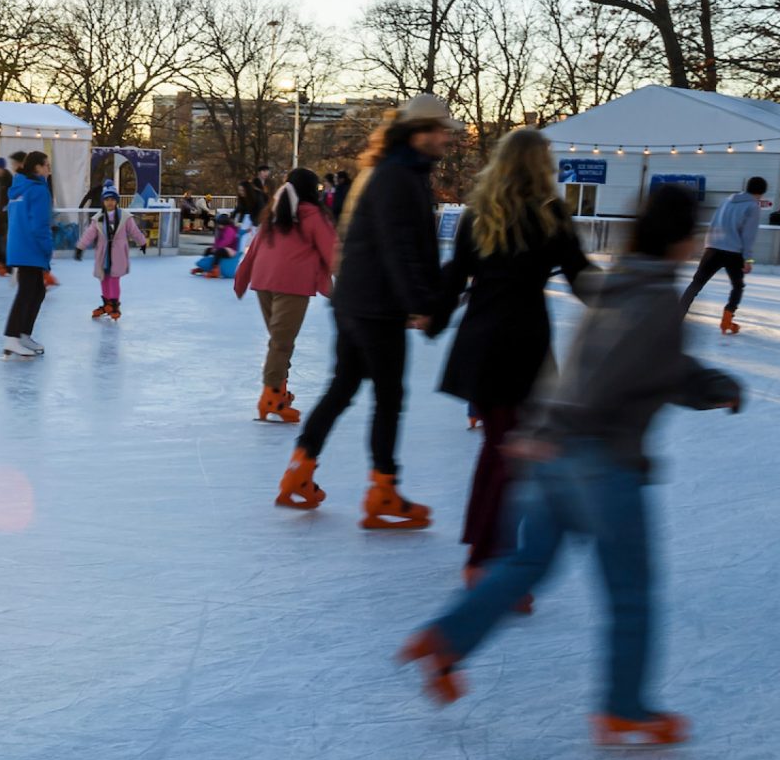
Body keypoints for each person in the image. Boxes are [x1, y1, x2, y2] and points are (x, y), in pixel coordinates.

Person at [395, 184, 741, 747]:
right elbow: (625, 373)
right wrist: (710, 386)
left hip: (551, 455)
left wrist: (542, 430)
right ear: (682, 240)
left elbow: (637, 366)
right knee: (631, 592)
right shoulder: (656, 301)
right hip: (598, 463)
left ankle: (447, 638)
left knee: (526, 561)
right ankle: (623, 707)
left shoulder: (618, 285)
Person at [427, 128, 596, 585]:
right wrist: (625, 302)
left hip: (481, 344)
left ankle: (482, 547)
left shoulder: (478, 214)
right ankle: (486, 558)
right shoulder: (550, 215)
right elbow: (582, 278)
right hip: (522, 346)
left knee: (499, 449)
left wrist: (434, 318)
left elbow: (455, 275)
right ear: (541, 166)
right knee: (510, 454)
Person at [285, 94, 458, 529]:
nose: (444, 138)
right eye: (438, 130)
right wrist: (422, 304)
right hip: (376, 307)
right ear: (416, 133)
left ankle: (299, 470)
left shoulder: (387, 171)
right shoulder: (398, 177)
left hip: (356, 302)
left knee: (344, 386)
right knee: (388, 397)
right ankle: (383, 490)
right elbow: (399, 249)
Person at [235, 167, 335, 423]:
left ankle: (277, 392)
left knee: (279, 341)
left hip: (264, 281)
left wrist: (243, 276)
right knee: (281, 343)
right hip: (292, 285)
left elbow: (254, 247)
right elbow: (333, 252)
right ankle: (271, 396)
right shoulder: (312, 215)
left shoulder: (274, 212)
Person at [681, 176, 767, 334]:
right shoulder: (752, 206)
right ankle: (726, 320)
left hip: (712, 248)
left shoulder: (727, 201)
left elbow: (714, 223)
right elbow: (749, 235)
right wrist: (748, 258)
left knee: (696, 284)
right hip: (733, 252)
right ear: (760, 193)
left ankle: (677, 316)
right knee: (737, 286)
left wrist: (708, 246)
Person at [0, 150, 54, 360]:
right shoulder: (38, 190)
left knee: (36, 291)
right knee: (27, 292)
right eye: (47, 165)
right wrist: (47, 249)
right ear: (37, 168)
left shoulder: (18, 188)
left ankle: (22, 334)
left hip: (18, 246)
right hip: (30, 247)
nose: (49, 169)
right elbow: (40, 225)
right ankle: (12, 338)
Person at [79, 184, 147, 322]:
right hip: (103, 254)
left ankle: (115, 305)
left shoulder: (125, 217)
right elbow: (89, 234)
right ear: (103, 201)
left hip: (117, 254)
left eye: (112, 199)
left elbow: (134, 231)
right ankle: (107, 305)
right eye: (107, 199)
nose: (109, 202)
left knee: (114, 278)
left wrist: (142, 242)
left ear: (116, 201)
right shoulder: (98, 218)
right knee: (103, 278)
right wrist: (80, 247)